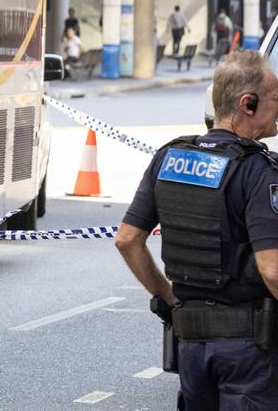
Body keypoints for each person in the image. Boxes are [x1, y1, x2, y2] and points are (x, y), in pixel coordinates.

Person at [115, 51, 278, 410]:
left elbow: (127, 239)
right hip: (248, 352)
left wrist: (167, 296)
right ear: (247, 104)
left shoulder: (169, 157)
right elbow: (272, 269)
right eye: (275, 99)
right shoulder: (259, 171)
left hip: (190, 347)